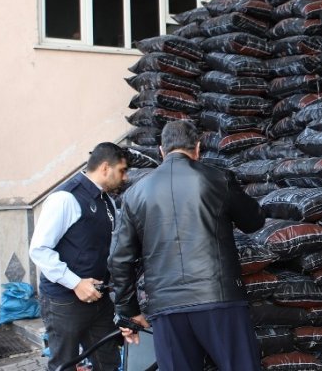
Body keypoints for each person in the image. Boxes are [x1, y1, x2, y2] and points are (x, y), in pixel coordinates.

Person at [109, 120, 266, 371]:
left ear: (161, 150)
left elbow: (119, 259)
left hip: (166, 306)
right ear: (198, 148)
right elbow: (254, 221)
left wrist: (128, 311)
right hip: (217, 298)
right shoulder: (218, 179)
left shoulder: (135, 194)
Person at [29, 142, 129, 371]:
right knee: (64, 364)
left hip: (98, 298)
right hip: (64, 301)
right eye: (121, 171)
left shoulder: (107, 201)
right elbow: (39, 249)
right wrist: (75, 283)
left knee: (109, 362)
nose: (124, 178)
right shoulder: (65, 198)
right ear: (105, 167)